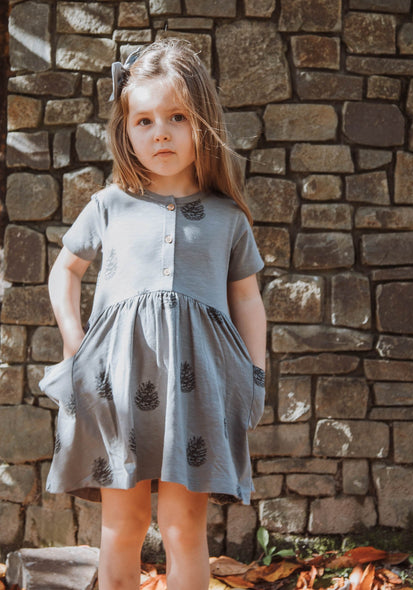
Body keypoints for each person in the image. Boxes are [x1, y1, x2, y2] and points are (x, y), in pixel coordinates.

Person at [39, 38, 267, 590]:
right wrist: (75, 341)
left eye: (175, 117)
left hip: (198, 389)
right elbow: (64, 272)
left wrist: (254, 373)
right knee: (123, 523)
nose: (159, 132)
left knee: (183, 527)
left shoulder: (227, 218)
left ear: (202, 122)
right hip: (117, 386)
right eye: (143, 120)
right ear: (126, 130)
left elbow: (246, 299)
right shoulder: (109, 206)